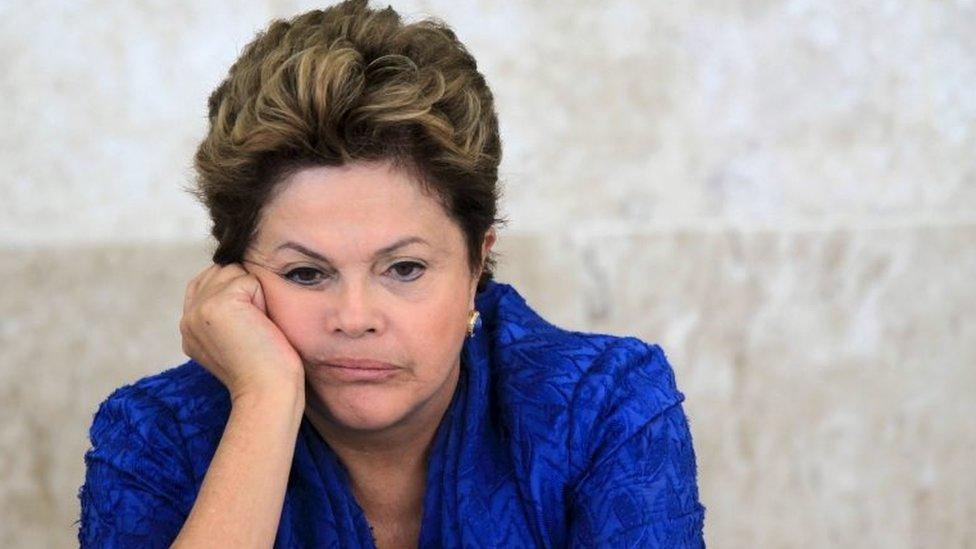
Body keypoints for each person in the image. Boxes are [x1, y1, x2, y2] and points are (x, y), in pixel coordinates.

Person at [77, 1, 706, 547]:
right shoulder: (154, 434)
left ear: (475, 264)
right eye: (305, 274)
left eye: (403, 268)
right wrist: (265, 400)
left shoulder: (602, 408)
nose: (355, 318)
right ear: (236, 280)